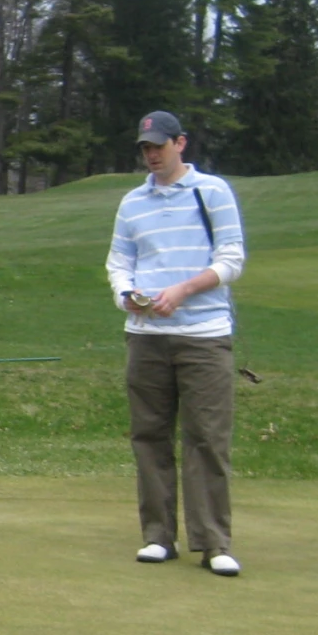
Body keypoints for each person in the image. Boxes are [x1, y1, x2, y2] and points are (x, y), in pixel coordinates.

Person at [106, 110, 247, 577]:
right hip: (146, 337)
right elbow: (119, 261)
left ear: (180, 144)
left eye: (159, 146)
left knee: (206, 439)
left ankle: (212, 542)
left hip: (204, 336)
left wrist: (181, 291)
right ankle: (157, 536)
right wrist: (126, 294)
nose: (151, 154)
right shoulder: (132, 203)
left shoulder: (212, 192)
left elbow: (231, 260)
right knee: (149, 437)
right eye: (145, 147)